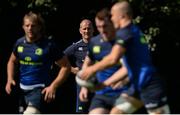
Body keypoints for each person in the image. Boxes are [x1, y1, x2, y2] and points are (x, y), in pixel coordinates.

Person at [80, 1, 170, 114]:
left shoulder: (125, 33)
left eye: (112, 15)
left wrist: (91, 69)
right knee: (116, 113)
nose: (111, 19)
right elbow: (127, 67)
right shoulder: (132, 30)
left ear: (122, 16)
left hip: (149, 85)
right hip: (136, 86)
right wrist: (104, 84)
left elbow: (113, 58)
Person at [79, 8, 143, 114]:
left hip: (126, 92)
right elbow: (87, 63)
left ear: (112, 23)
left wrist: (122, 80)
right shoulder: (94, 42)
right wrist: (84, 86)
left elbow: (129, 67)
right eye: (99, 27)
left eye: (105, 26)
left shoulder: (125, 39)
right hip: (102, 95)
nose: (102, 30)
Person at [5, 11, 71, 114]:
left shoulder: (49, 45)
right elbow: (12, 61)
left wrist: (53, 86)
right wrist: (10, 79)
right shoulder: (19, 43)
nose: (30, 28)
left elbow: (66, 66)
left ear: (39, 27)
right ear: (23, 27)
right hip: (22, 90)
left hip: (40, 90)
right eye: (27, 25)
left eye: (33, 26)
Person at [63, 19, 94, 113]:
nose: (87, 31)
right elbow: (58, 60)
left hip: (99, 84)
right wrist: (72, 69)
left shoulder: (100, 44)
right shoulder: (76, 47)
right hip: (82, 84)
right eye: (84, 29)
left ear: (93, 29)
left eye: (89, 28)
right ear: (80, 30)